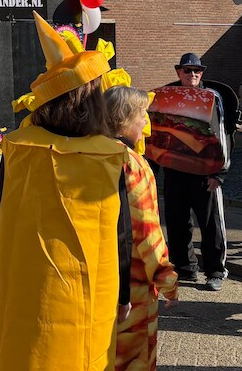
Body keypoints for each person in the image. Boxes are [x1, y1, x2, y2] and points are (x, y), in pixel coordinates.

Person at [0, 12, 131, 371]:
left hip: (26, 286)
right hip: (90, 290)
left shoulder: (17, 149)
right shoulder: (112, 156)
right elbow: (121, 233)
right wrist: (124, 292)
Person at [105, 86, 178, 371]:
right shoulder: (132, 163)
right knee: (131, 359)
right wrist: (167, 279)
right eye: (143, 116)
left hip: (98, 280)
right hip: (132, 285)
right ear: (126, 118)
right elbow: (146, 231)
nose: (146, 123)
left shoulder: (87, 153)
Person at [158, 52, 229, 291]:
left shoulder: (212, 98)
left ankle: (215, 271)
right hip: (175, 170)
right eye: (187, 70)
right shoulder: (166, 94)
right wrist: (153, 167)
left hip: (204, 172)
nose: (193, 75)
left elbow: (222, 135)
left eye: (197, 71)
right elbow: (157, 132)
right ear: (178, 72)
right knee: (177, 222)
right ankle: (185, 268)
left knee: (211, 224)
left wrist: (220, 172)